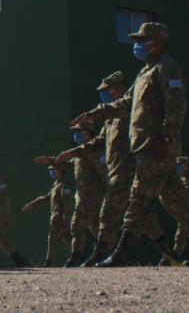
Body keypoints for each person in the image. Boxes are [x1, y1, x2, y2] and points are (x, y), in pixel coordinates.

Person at [72, 23, 189, 267]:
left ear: (156, 42)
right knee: (177, 201)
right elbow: (126, 103)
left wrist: (166, 139)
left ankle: (122, 253)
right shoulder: (145, 72)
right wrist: (94, 114)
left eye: (142, 39)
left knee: (138, 197)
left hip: (157, 146)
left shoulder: (169, 68)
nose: (137, 44)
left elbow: (176, 106)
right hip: (146, 146)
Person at [56, 71, 165, 266]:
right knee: (140, 214)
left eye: (106, 91)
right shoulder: (110, 116)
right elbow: (98, 142)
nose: (104, 95)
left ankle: (100, 253)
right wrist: (73, 152)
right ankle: (167, 250)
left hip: (128, 167)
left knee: (109, 211)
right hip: (116, 169)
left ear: (118, 88)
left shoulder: (129, 107)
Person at [62, 123, 107, 267]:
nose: (76, 135)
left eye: (78, 131)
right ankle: (111, 249)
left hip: (93, 195)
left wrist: (107, 192)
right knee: (94, 226)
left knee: (77, 224)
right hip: (82, 195)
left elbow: (104, 173)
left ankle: (75, 257)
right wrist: (52, 161)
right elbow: (69, 165)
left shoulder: (94, 151)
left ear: (88, 133)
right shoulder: (79, 153)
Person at [21, 163, 73, 267]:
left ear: (61, 171)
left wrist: (66, 219)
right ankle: (79, 256)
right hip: (56, 217)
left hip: (60, 218)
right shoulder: (56, 185)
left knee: (53, 238)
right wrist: (31, 204)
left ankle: (48, 263)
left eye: (54, 169)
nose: (52, 172)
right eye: (51, 169)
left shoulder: (64, 185)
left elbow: (67, 204)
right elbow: (46, 198)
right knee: (66, 239)